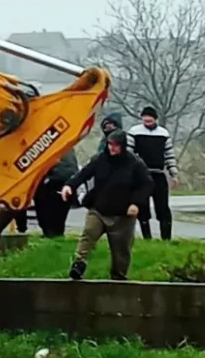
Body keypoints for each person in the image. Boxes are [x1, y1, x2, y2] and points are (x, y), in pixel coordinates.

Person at [60, 129, 153, 281]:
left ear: (123, 146)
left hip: (123, 215)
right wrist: (70, 185)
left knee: (121, 249)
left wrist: (136, 203)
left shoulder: (135, 163)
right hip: (99, 209)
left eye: (116, 145)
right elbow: (84, 173)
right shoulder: (100, 159)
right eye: (110, 144)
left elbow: (147, 184)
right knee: (89, 233)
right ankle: (79, 264)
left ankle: (119, 277)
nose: (112, 148)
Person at [126, 106, 179, 240]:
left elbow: (169, 155)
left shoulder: (163, 133)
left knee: (163, 206)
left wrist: (173, 174)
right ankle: (147, 237)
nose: (147, 120)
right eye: (145, 118)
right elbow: (129, 154)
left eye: (149, 118)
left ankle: (166, 238)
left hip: (159, 174)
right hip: (141, 175)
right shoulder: (134, 132)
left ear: (155, 119)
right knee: (142, 207)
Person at [34, 149, 79, 237]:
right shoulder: (67, 146)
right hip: (69, 179)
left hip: (54, 178)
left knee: (45, 207)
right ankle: (57, 232)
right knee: (60, 212)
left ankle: (49, 232)